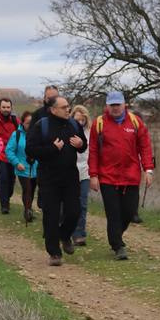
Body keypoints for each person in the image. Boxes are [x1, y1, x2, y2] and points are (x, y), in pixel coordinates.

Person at [87, 92, 154, 260]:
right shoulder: (99, 123)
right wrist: (93, 174)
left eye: (118, 104)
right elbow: (93, 151)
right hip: (107, 177)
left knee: (129, 211)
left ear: (125, 105)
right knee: (113, 213)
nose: (115, 108)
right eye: (112, 105)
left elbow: (145, 147)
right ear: (107, 106)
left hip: (131, 175)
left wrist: (148, 170)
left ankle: (116, 235)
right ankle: (117, 245)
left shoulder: (135, 122)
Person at [26, 95, 86, 266]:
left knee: (74, 212)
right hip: (48, 178)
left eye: (68, 106)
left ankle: (65, 235)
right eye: (64, 107)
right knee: (51, 216)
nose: (68, 109)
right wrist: (52, 149)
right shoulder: (42, 126)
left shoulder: (74, 124)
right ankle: (54, 253)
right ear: (53, 110)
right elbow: (30, 149)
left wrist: (81, 143)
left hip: (70, 177)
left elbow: (84, 145)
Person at [5, 112, 38, 223]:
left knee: (32, 190)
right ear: (22, 123)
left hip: (36, 168)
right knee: (27, 189)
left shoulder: (38, 134)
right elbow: (9, 151)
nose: (30, 125)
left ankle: (29, 208)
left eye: (32, 123)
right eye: (28, 123)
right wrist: (17, 163)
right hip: (22, 168)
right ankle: (27, 211)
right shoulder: (17, 135)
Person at [71, 104, 92, 246]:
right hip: (69, 171)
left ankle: (79, 233)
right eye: (76, 119)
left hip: (85, 172)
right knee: (68, 205)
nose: (80, 122)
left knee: (82, 203)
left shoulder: (91, 133)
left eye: (82, 119)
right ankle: (66, 229)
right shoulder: (67, 131)